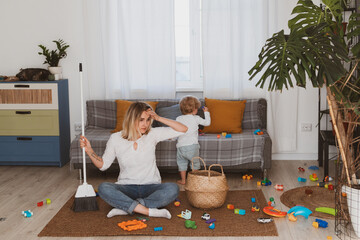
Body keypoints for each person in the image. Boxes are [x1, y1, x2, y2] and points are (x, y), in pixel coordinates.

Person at [79, 102, 188, 219]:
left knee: (172, 189)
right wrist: (89, 150)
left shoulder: (152, 134)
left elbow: (183, 129)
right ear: (131, 119)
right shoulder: (115, 138)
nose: (145, 124)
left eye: (147, 120)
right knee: (103, 188)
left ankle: (127, 208)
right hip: (126, 187)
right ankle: (148, 211)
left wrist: (158, 118)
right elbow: (103, 165)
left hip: (151, 186)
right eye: (141, 120)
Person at [175, 96, 211, 185]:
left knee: (181, 163)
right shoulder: (196, 118)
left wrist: (171, 138)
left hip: (181, 147)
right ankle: (195, 181)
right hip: (192, 146)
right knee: (194, 163)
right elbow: (207, 123)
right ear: (195, 109)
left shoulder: (178, 118)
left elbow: (175, 130)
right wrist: (206, 112)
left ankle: (183, 180)